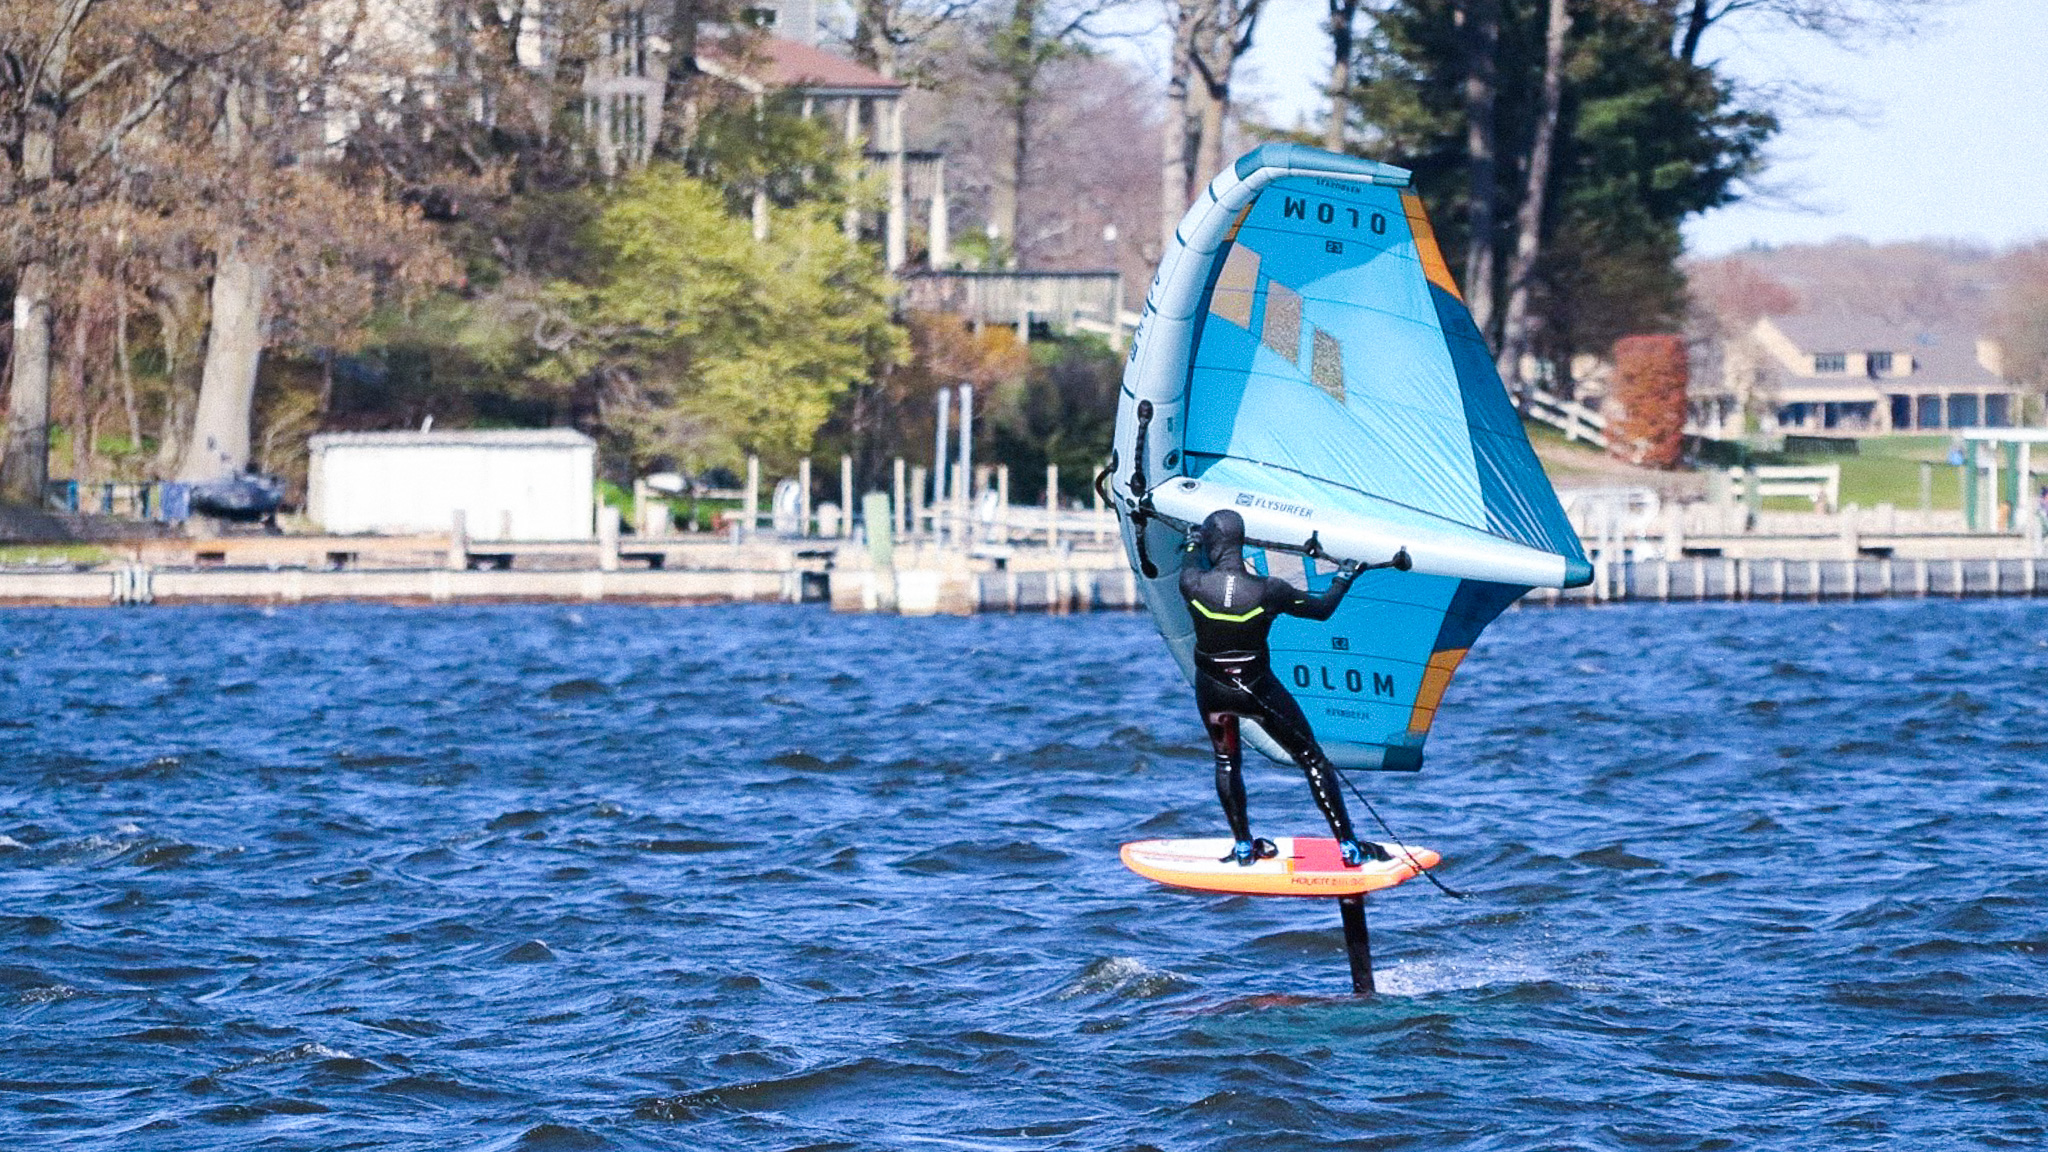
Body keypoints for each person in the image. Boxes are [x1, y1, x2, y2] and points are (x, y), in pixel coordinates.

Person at [1180, 508, 1390, 868]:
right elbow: (1322, 610)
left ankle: (1244, 847)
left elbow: (1190, 553)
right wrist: (1344, 577)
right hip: (1257, 690)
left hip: (1213, 691)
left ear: (1211, 543)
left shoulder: (1191, 582)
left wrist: (1191, 541)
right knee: (1312, 759)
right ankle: (1349, 847)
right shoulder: (1269, 590)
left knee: (1226, 760)